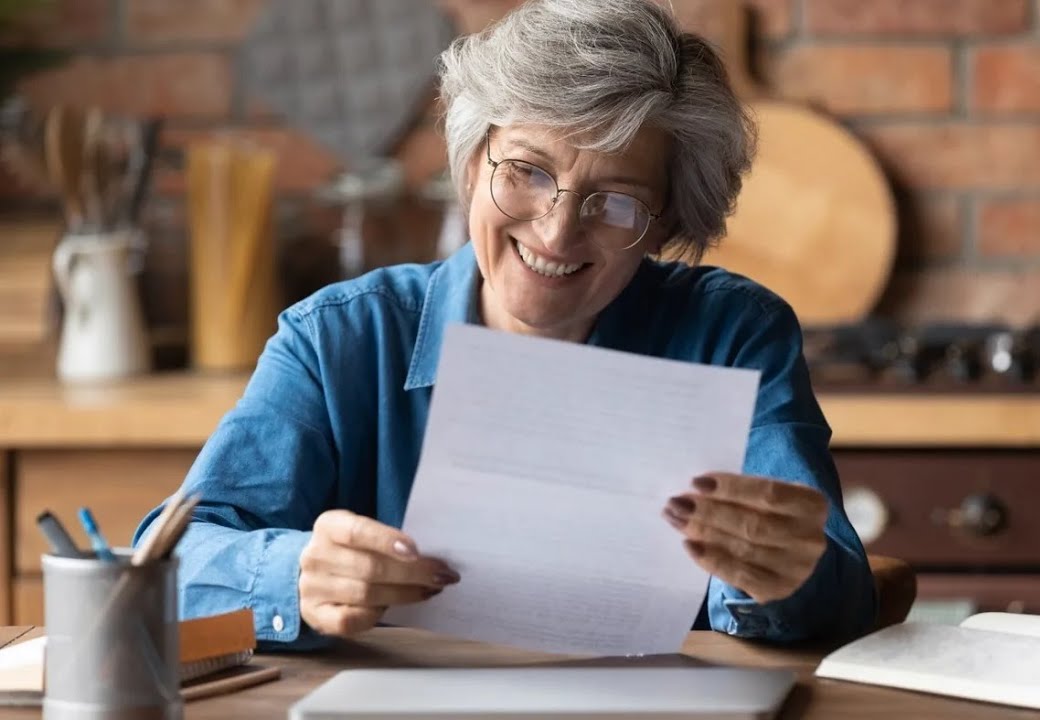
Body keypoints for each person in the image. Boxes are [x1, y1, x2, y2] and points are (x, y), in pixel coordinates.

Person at [134, 0, 877, 650]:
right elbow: (164, 566)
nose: (556, 234)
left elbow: (839, 586)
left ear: (667, 225)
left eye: (616, 201)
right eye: (526, 171)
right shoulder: (339, 340)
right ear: (470, 162)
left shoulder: (733, 335)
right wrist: (292, 575)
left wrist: (779, 573)